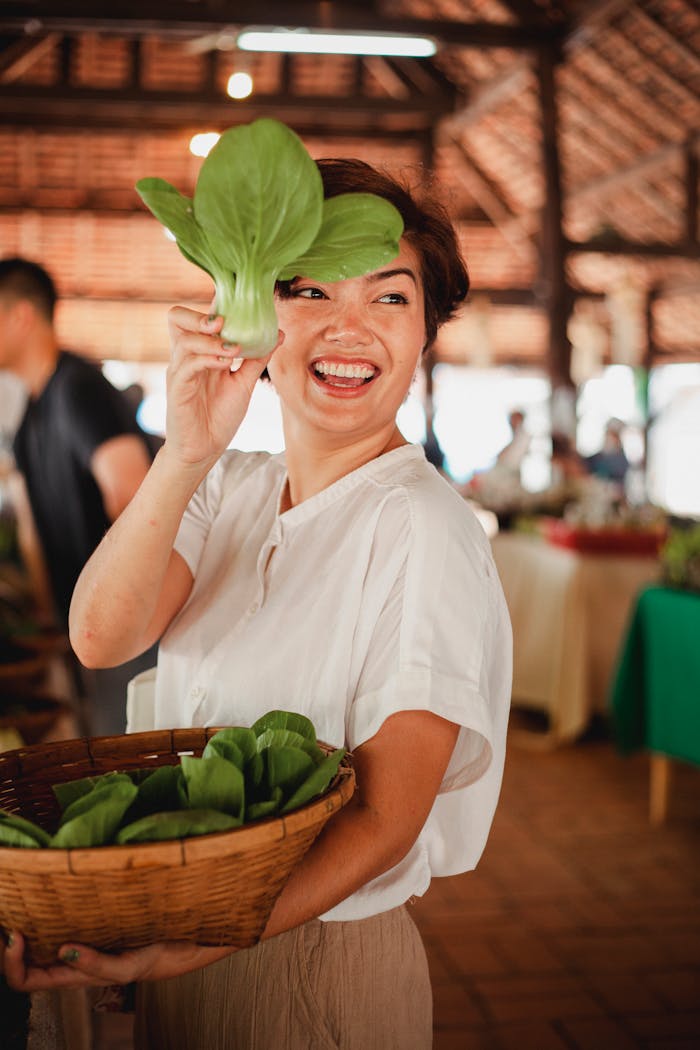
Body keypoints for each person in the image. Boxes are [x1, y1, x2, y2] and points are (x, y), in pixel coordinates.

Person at [2, 160, 512, 1049]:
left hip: (314, 971)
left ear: (428, 330)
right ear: (252, 314)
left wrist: (186, 946)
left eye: (389, 299)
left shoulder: (425, 527)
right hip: (189, 959)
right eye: (309, 288)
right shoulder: (225, 484)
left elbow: (386, 818)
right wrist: (189, 447)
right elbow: (99, 636)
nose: (348, 329)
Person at [0, 257, 157, 735]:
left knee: (125, 757)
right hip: (85, 633)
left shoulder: (78, 387)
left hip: (124, 625)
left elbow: (131, 493)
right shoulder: (29, 415)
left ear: (22, 316)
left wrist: (108, 607)